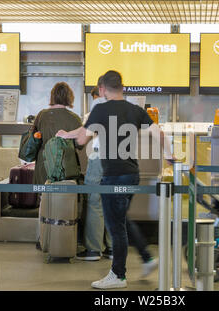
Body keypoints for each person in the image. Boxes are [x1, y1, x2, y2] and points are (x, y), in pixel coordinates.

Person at [56, 70, 174, 289]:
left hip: (112, 175)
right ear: (122, 87)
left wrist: (66, 135)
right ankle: (147, 258)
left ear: (102, 89)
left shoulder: (100, 109)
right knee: (120, 219)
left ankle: (118, 275)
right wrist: (168, 156)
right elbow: (159, 134)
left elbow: (83, 137)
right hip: (132, 173)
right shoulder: (136, 110)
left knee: (115, 225)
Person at [76, 82, 113, 261]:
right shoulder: (122, 106)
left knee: (94, 200)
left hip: (99, 157)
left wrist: (68, 135)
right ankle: (112, 248)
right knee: (112, 201)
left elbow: (87, 132)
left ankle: (93, 249)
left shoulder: (97, 106)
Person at [32, 82, 82, 185]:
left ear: (52, 96)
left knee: (44, 198)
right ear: (69, 97)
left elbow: (34, 138)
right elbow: (79, 145)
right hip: (66, 166)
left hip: (44, 165)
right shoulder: (75, 118)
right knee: (64, 199)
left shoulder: (41, 115)